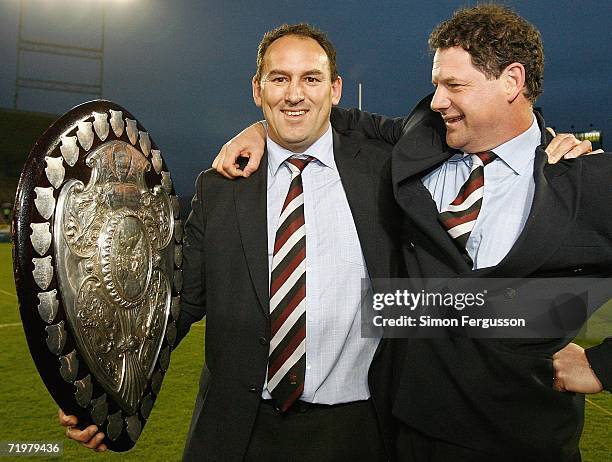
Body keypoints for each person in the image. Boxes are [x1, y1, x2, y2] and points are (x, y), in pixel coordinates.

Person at [213, 5, 610, 461]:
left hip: (528, 442)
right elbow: (334, 117)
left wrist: (602, 364)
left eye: (454, 85)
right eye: (437, 84)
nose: (437, 100)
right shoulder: (425, 137)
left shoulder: (583, 180)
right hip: (410, 436)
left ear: (512, 82)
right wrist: (261, 128)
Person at [60, 23, 404, 461]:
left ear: (336, 90)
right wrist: (101, 390)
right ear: (257, 90)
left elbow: (435, 125)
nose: (294, 94)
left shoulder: (385, 173)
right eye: (279, 79)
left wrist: (513, 312)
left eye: (311, 79)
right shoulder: (220, 187)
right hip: (238, 433)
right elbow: (175, 307)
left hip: (357, 432)